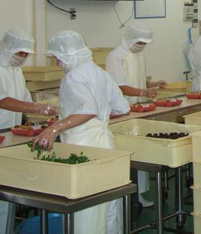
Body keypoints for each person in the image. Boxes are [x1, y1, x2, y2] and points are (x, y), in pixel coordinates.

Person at [34, 31, 130, 234]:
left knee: (87, 210)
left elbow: (87, 110)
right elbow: (123, 108)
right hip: (105, 145)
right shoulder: (101, 73)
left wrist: (54, 128)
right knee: (108, 203)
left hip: (84, 148)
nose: (58, 63)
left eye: (58, 58)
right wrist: (101, 118)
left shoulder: (73, 77)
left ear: (68, 55)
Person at [0, 29, 57, 234]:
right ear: (8, 48)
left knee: (6, 187)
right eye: (20, 53)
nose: (22, 57)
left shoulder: (16, 70)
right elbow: (3, 100)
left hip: (11, 134)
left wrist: (33, 119)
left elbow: (23, 99)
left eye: (26, 54)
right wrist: (35, 108)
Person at [105, 20, 165, 208]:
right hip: (121, 111)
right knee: (127, 153)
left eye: (144, 44)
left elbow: (138, 81)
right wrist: (143, 92)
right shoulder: (115, 57)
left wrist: (152, 86)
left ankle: (139, 194)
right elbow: (120, 87)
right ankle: (128, 197)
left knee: (141, 151)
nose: (141, 46)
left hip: (139, 109)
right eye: (139, 42)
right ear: (130, 38)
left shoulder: (139, 56)